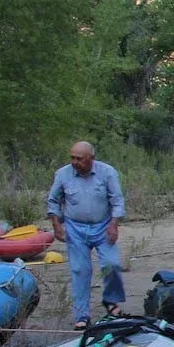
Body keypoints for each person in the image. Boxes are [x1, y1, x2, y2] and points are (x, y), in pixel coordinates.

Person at [46, 141, 127, 330]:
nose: (75, 162)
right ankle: (82, 315)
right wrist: (56, 225)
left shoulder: (107, 172)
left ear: (91, 158)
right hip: (75, 228)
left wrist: (114, 225)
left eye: (79, 159)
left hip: (103, 226)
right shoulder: (63, 174)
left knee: (111, 264)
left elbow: (117, 201)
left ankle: (112, 303)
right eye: (72, 157)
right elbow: (53, 201)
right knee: (80, 270)